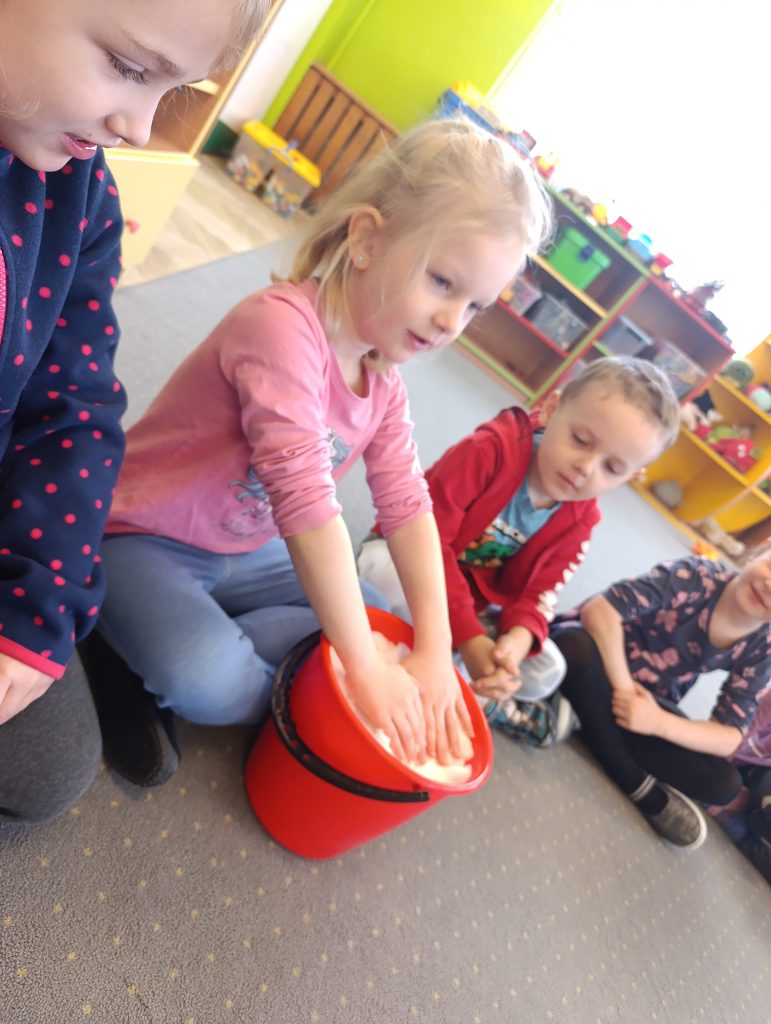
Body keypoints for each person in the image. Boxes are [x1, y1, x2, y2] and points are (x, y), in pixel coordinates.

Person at [88, 117, 553, 786]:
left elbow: (407, 506)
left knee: (398, 628)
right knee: (212, 680)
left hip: (251, 549)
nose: (452, 321)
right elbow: (306, 503)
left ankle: (199, 647)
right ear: (365, 239)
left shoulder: (381, 380)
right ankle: (120, 653)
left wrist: (431, 647)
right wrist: (361, 665)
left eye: (475, 305)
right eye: (442, 282)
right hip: (145, 535)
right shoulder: (281, 327)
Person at [0, 0, 270, 827]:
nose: (141, 127)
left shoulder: (79, 196)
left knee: (49, 770)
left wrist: (32, 616)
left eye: (172, 90)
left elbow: (73, 414)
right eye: (125, 67)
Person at [359, 356, 680, 746]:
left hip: (473, 608)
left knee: (547, 669)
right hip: (411, 562)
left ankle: (458, 675)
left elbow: (540, 593)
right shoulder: (490, 449)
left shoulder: (582, 518)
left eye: (612, 468)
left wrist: (516, 642)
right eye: (581, 440)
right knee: (380, 577)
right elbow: (424, 539)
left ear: (631, 477)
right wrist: (470, 638)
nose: (585, 467)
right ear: (552, 408)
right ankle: (462, 682)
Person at [551, 547, 771, 850]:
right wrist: (624, 691)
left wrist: (656, 722)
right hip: (598, 655)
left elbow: (729, 737)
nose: (769, 587)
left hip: (649, 701)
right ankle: (635, 782)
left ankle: (585, 715)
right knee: (573, 647)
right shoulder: (697, 576)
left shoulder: (764, 645)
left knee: (724, 784)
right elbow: (600, 611)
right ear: (756, 554)